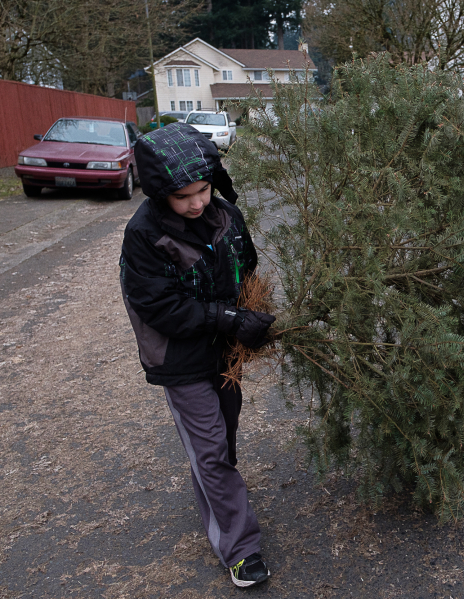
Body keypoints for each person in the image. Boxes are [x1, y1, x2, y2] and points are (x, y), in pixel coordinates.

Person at [119, 123, 276, 586]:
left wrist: (252, 318)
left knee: (222, 442)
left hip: (225, 353)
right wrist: (229, 318)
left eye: (203, 190)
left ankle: (220, 502)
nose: (197, 203)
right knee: (209, 450)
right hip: (180, 357)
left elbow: (246, 268)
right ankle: (242, 549)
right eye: (184, 196)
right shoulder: (144, 236)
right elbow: (160, 307)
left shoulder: (226, 216)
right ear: (159, 191)